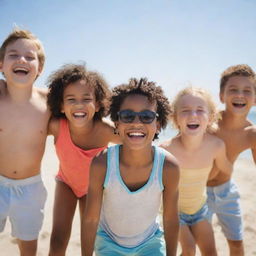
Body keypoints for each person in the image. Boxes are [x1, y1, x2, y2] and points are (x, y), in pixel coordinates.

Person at [81, 78, 180, 256]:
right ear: (117, 124)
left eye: (146, 116)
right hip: (108, 243)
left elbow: (171, 219)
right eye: (127, 116)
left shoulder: (168, 167)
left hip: (150, 243)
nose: (136, 122)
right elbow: (90, 219)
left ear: (157, 125)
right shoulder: (102, 163)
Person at [47, 63, 121, 255]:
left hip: (94, 189)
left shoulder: (106, 130)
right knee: (57, 240)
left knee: (89, 243)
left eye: (86, 99)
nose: (79, 104)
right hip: (66, 184)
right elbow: (29, 122)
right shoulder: (56, 126)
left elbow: (135, 137)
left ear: (97, 104)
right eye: (71, 99)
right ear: (61, 106)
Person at [161, 87, 233, 256]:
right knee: (189, 249)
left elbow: (227, 169)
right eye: (185, 110)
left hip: (200, 210)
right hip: (173, 212)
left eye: (200, 110)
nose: (193, 115)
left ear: (211, 118)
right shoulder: (166, 149)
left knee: (211, 252)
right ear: (175, 118)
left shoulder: (216, 146)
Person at [0, 28, 50, 256]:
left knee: (28, 246)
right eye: (13, 55)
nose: (22, 59)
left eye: (30, 57)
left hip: (30, 188)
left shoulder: (49, 101)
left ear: (39, 69)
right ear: (1, 64)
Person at [207, 64, 256, 256]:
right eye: (233, 89)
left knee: (236, 242)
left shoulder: (251, 133)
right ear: (221, 96)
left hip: (227, 191)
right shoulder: (209, 122)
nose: (240, 95)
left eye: (247, 90)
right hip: (198, 191)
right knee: (200, 242)